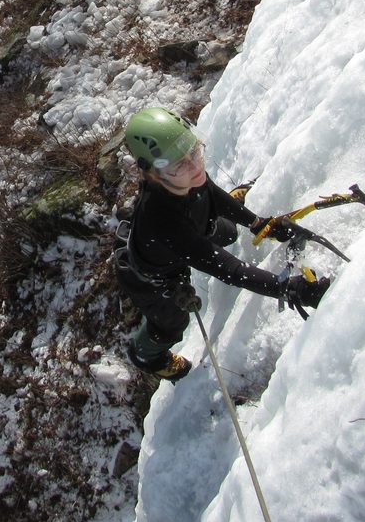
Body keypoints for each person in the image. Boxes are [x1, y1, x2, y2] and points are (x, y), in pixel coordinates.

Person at [114, 106, 330, 382]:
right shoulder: (161, 220)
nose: (195, 166)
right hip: (153, 279)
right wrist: (289, 289)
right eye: (180, 164)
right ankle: (147, 355)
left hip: (182, 233)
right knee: (172, 323)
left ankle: (208, 222)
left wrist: (258, 223)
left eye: (194, 152)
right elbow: (232, 271)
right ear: (151, 173)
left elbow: (210, 192)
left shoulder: (183, 178)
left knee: (225, 232)